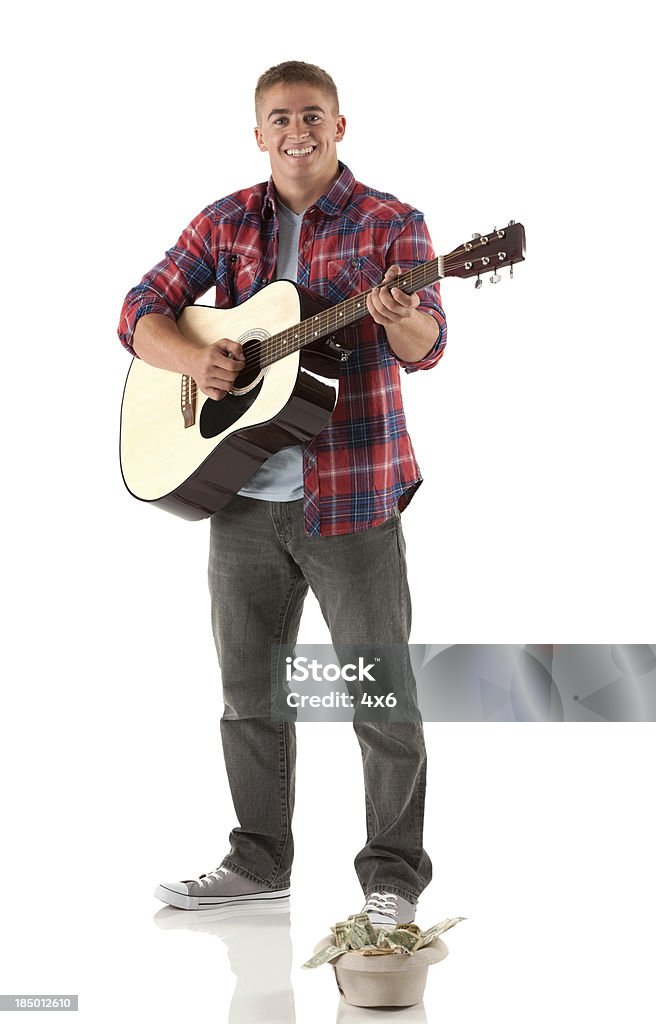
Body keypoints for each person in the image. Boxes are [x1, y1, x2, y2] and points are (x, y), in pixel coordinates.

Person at [117, 61, 447, 928]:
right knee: (249, 693)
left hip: (352, 498)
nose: (295, 130)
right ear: (257, 133)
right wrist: (195, 358)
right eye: (278, 118)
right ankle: (257, 861)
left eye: (312, 115)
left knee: (378, 696)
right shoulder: (225, 220)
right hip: (239, 500)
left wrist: (395, 314)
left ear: (340, 127)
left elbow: (428, 346)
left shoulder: (391, 224)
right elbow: (138, 309)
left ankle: (393, 879)